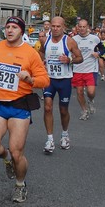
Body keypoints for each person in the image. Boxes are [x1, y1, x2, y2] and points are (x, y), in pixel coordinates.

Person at [0, 16, 49, 203]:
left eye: (14, 27)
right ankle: (6, 156)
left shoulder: (30, 53)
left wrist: (30, 80)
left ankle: (20, 185)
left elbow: (44, 79)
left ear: (22, 31)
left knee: (18, 152)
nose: (10, 30)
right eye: (7, 27)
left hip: (19, 105)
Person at [40, 17, 83, 154]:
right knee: (47, 107)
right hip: (49, 80)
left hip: (64, 80)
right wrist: (41, 62)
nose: (55, 28)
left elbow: (80, 58)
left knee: (63, 110)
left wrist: (69, 59)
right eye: (53, 26)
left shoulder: (69, 41)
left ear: (63, 27)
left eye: (58, 26)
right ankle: (50, 139)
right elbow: (40, 52)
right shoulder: (45, 40)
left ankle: (64, 134)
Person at [72, 19, 104, 120]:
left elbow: (103, 49)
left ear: (88, 27)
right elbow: (68, 50)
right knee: (79, 92)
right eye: (80, 27)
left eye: (84, 27)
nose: (81, 29)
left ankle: (90, 100)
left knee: (90, 92)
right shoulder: (73, 39)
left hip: (91, 69)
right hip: (78, 69)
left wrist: (98, 53)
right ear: (77, 27)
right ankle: (84, 110)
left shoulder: (94, 38)